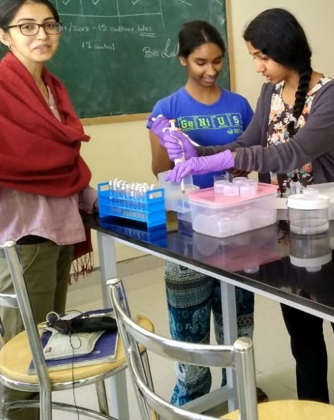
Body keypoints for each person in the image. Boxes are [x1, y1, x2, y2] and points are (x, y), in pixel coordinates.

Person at [159, 8, 334, 420]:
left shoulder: (333, 93)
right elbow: (247, 143)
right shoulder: (270, 93)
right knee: (303, 336)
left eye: (261, 56)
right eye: (253, 56)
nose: (256, 66)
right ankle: (315, 411)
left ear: (285, 49)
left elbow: (291, 152)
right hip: (283, 230)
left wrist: (216, 158)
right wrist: (196, 151)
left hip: (333, 229)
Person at [0, 0, 96, 420]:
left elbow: (64, 160)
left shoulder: (51, 87)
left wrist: (105, 202)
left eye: (49, 25)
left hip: (58, 230)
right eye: (27, 26)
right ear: (4, 36)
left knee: (43, 346)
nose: (41, 34)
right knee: (25, 359)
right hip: (21, 237)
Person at [147, 20, 258, 405]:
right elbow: (159, 170)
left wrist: (225, 164)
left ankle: (240, 386)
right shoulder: (167, 109)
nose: (210, 71)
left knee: (239, 315)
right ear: (182, 60)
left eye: (217, 61)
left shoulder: (239, 105)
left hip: (237, 224)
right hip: (188, 230)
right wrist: (168, 137)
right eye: (200, 63)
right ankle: (193, 398)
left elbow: (248, 162)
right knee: (188, 320)